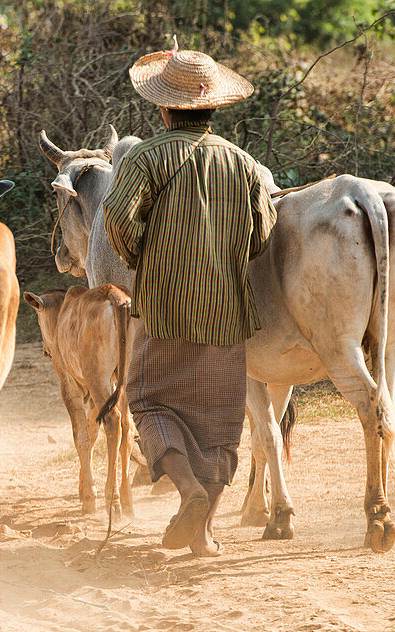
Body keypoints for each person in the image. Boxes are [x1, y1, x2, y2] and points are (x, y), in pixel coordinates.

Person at [103, 43, 276, 556]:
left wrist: (143, 257)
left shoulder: (145, 158)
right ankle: (203, 533)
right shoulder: (244, 165)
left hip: (162, 310)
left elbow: (115, 216)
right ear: (213, 108)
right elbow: (262, 232)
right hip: (225, 315)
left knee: (149, 400)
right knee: (220, 422)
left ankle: (189, 491)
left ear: (163, 107)